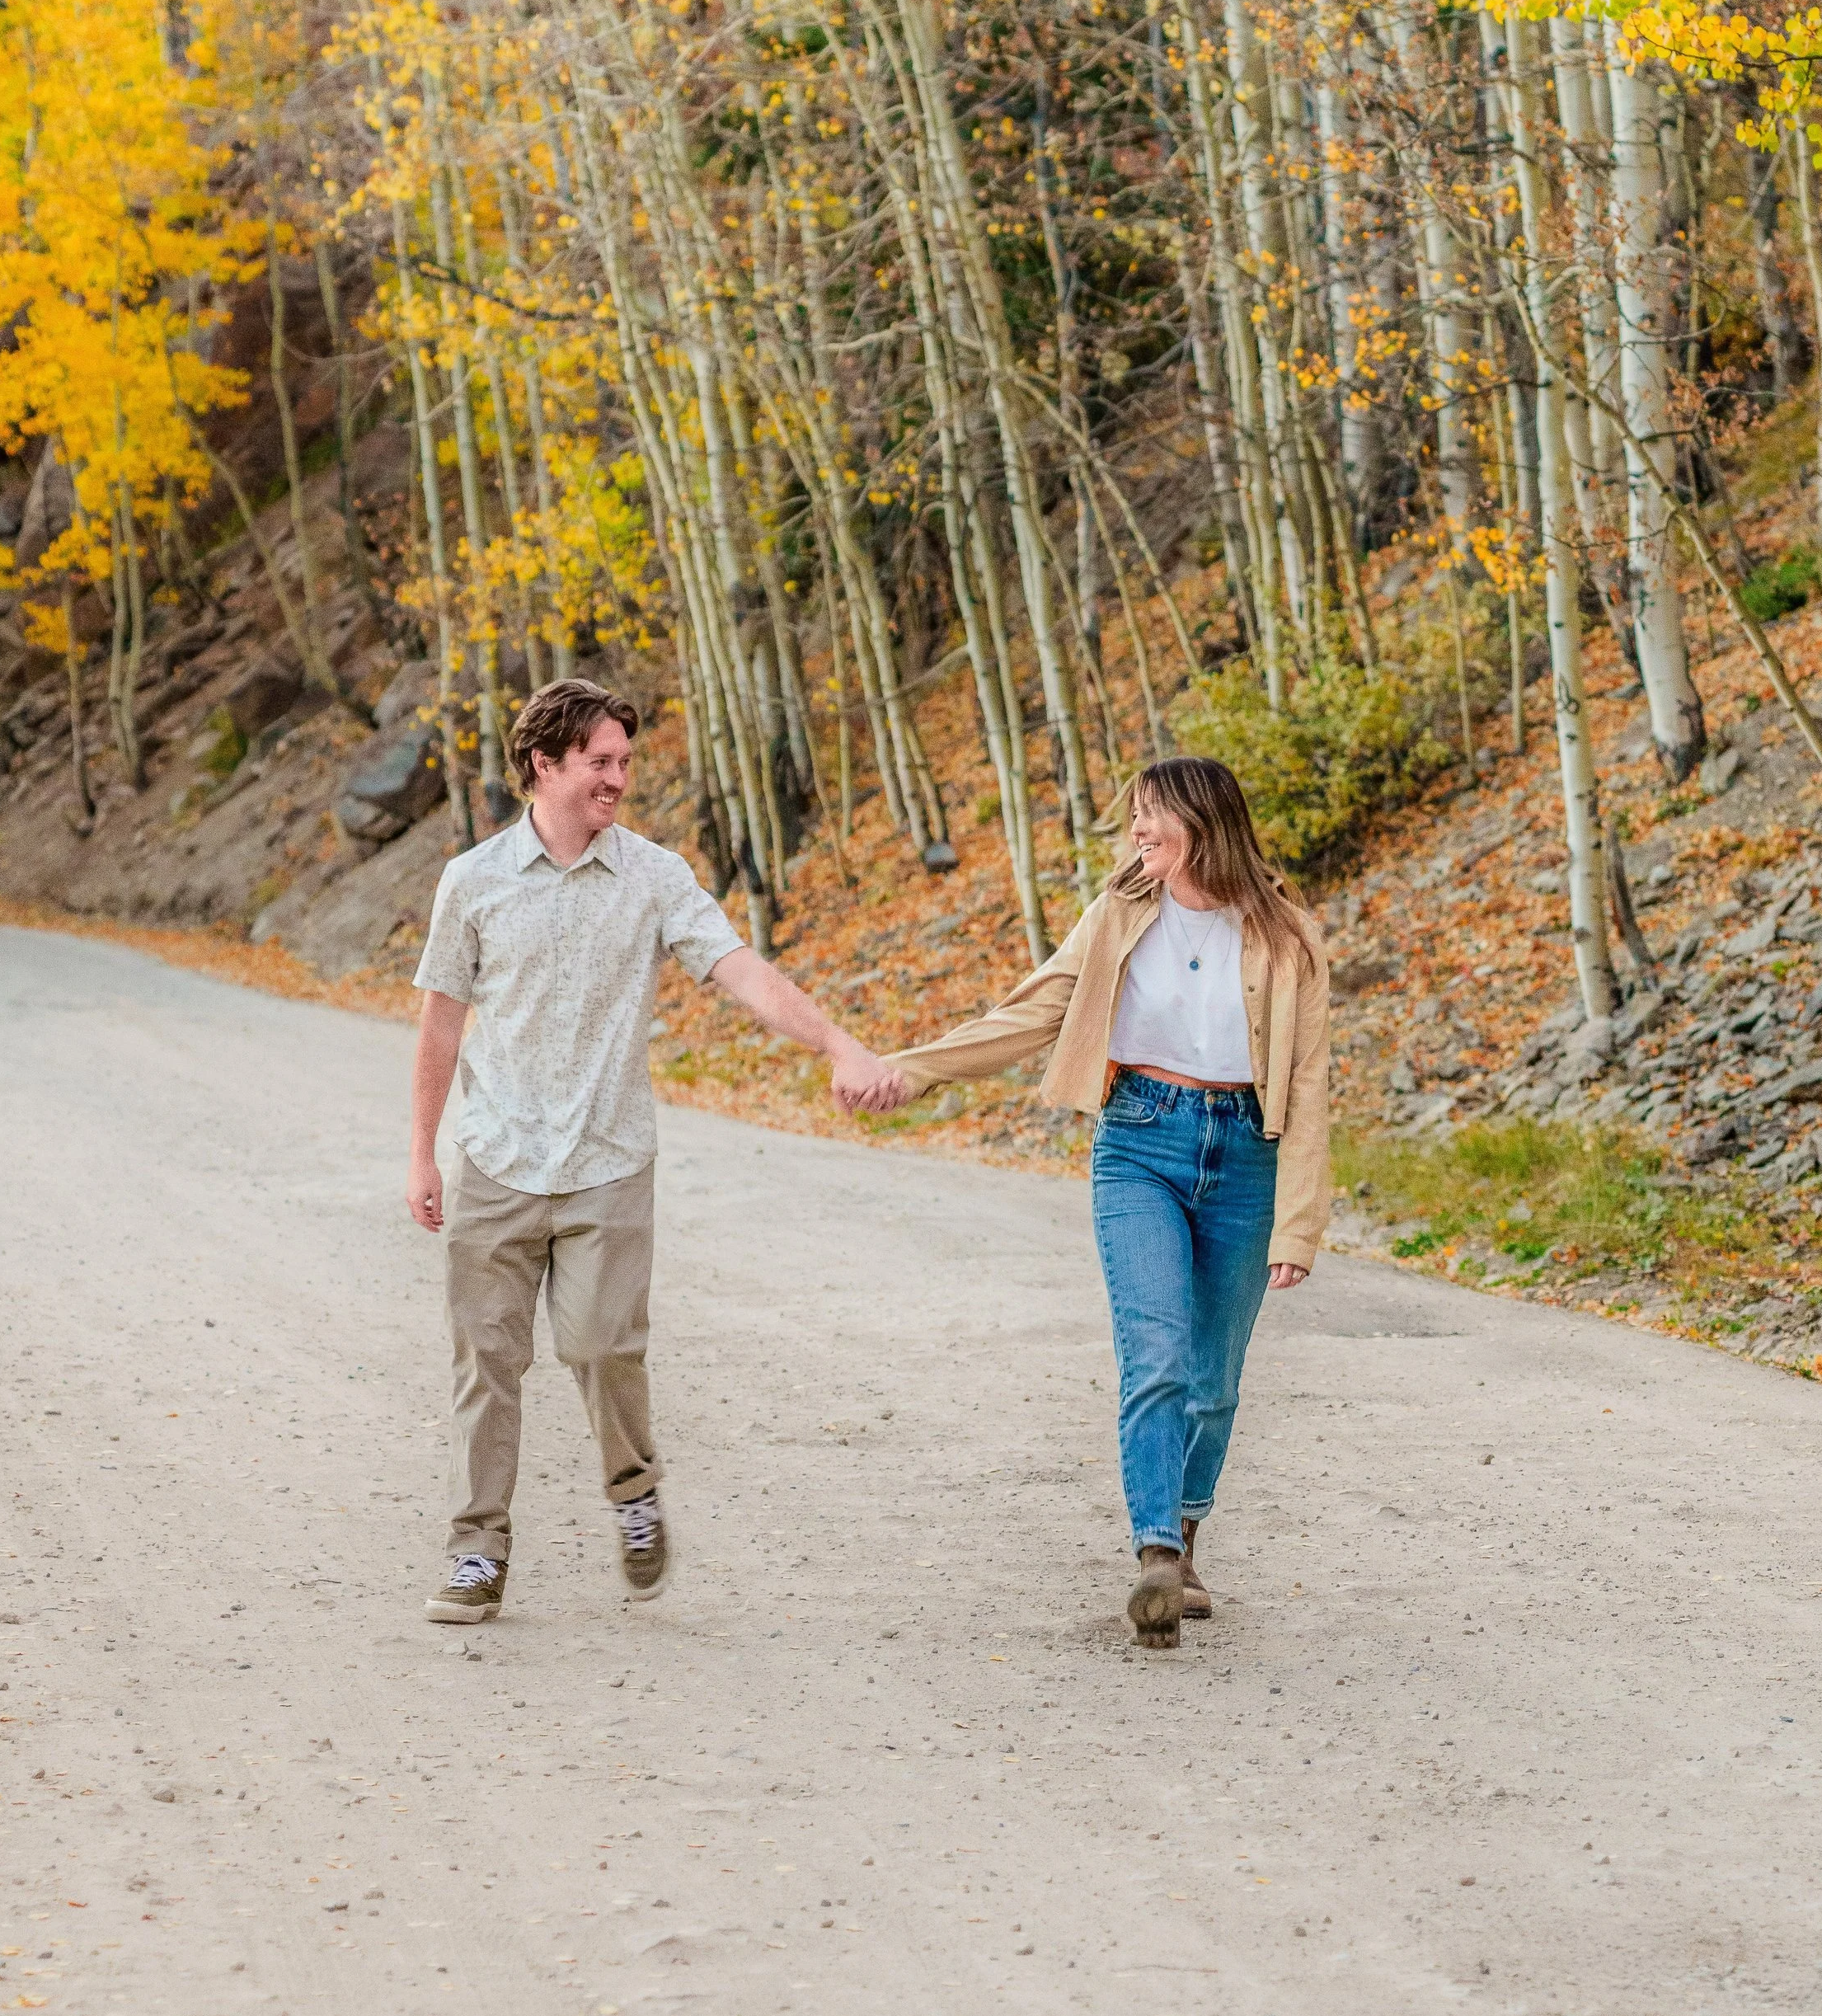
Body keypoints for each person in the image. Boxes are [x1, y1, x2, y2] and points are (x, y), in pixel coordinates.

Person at [406, 675, 895, 1627]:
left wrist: (836, 1042)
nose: (618, 779)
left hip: (608, 1161)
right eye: (601, 762)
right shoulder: (472, 882)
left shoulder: (653, 876)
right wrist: (422, 1155)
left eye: (625, 762)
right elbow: (437, 1027)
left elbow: (740, 971)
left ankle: (633, 1493)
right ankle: (477, 1554)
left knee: (599, 1347)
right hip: (497, 1159)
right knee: (487, 1363)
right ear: (544, 766)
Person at [862, 755, 1330, 1647]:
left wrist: (1300, 1222)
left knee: (1215, 1383)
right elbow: (1032, 1012)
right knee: (1155, 1353)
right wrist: (912, 1069)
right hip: (1139, 1142)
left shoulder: (1288, 937)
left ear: (1204, 823)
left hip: (1245, 1157)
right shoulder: (1119, 915)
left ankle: (1185, 1535)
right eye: (1135, 822)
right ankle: (1155, 1552)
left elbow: (1307, 1085)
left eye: (1152, 819)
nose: (1137, 834)